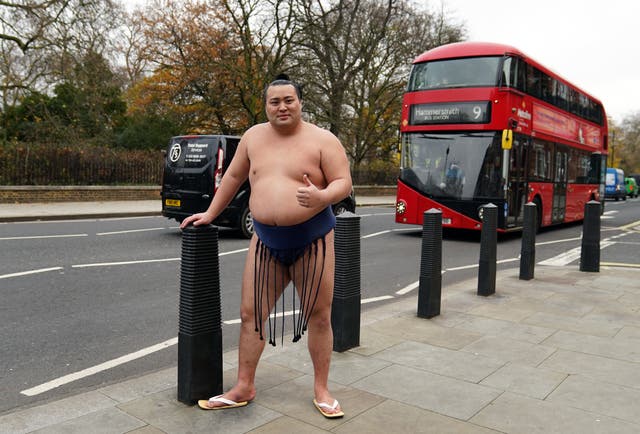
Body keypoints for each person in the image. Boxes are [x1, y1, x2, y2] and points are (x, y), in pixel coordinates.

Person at [179, 75, 352, 419]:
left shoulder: (323, 139)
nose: (282, 107)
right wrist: (211, 212)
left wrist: (321, 196)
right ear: (266, 106)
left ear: (300, 102)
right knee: (251, 315)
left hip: (312, 239)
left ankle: (322, 389)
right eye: (275, 102)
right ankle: (244, 385)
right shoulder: (253, 137)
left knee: (318, 316)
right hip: (265, 241)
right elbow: (232, 176)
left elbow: (343, 183)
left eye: (288, 100)